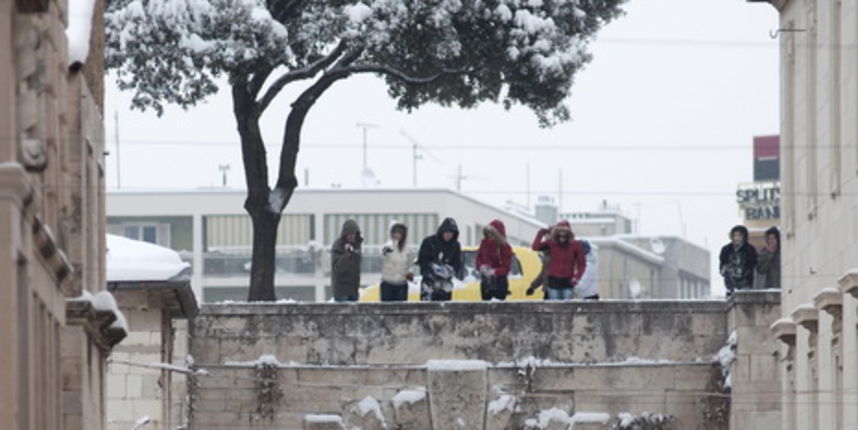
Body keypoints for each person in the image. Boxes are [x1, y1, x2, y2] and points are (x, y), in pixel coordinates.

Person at [530, 220, 586, 300]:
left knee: (566, 308)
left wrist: (576, 277)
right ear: (556, 234)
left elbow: (582, 264)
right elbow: (535, 247)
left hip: (568, 281)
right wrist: (541, 233)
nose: (562, 238)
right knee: (554, 307)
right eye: (559, 235)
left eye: (564, 236)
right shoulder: (551, 243)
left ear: (569, 234)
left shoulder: (575, 245)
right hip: (553, 282)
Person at [417, 217, 463, 301]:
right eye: (447, 232)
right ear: (442, 231)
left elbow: (457, 263)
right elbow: (422, 260)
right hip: (429, 282)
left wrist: (449, 270)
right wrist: (433, 267)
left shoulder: (455, 246)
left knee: (444, 309)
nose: (449, 235)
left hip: (445, 284)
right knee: (426, 310)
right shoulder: (429, 242)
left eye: (451, 233)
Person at [475, 220, 513, 301]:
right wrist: (481, 267)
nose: (490, 236)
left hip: (499, 282)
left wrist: (494, 271)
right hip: (486, 281)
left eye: (492, 233)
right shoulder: (484, 244)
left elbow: (506, 267)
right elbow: (479, 259)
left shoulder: (504, 247)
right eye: (489, 233)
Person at [719, 225, 757, 296]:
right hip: (730, 287)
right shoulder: (726, 250)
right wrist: (729, 269)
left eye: (739, 236)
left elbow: (751, 267)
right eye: (735, 235)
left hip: (745, 287)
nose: (737, 238)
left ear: (744, 237)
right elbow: (722, 270)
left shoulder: (750, 250)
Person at [331, 219, 362, 302]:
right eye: (349, 234)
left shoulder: (357, 245)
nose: (352, 236)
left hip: (354, 289)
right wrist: (346, 256)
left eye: (353, 234)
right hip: (341, 291)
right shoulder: (338, 246)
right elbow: (337, 269)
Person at [380, 222, 413, 301]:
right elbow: (382, 256)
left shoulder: (407, 249)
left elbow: (409, 264)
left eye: (400, 233)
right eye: (395, 232)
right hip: (388, 283)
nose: (397, 235)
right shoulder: (387, 246)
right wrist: (386, 250)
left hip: (402, 284)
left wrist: (409, 272)